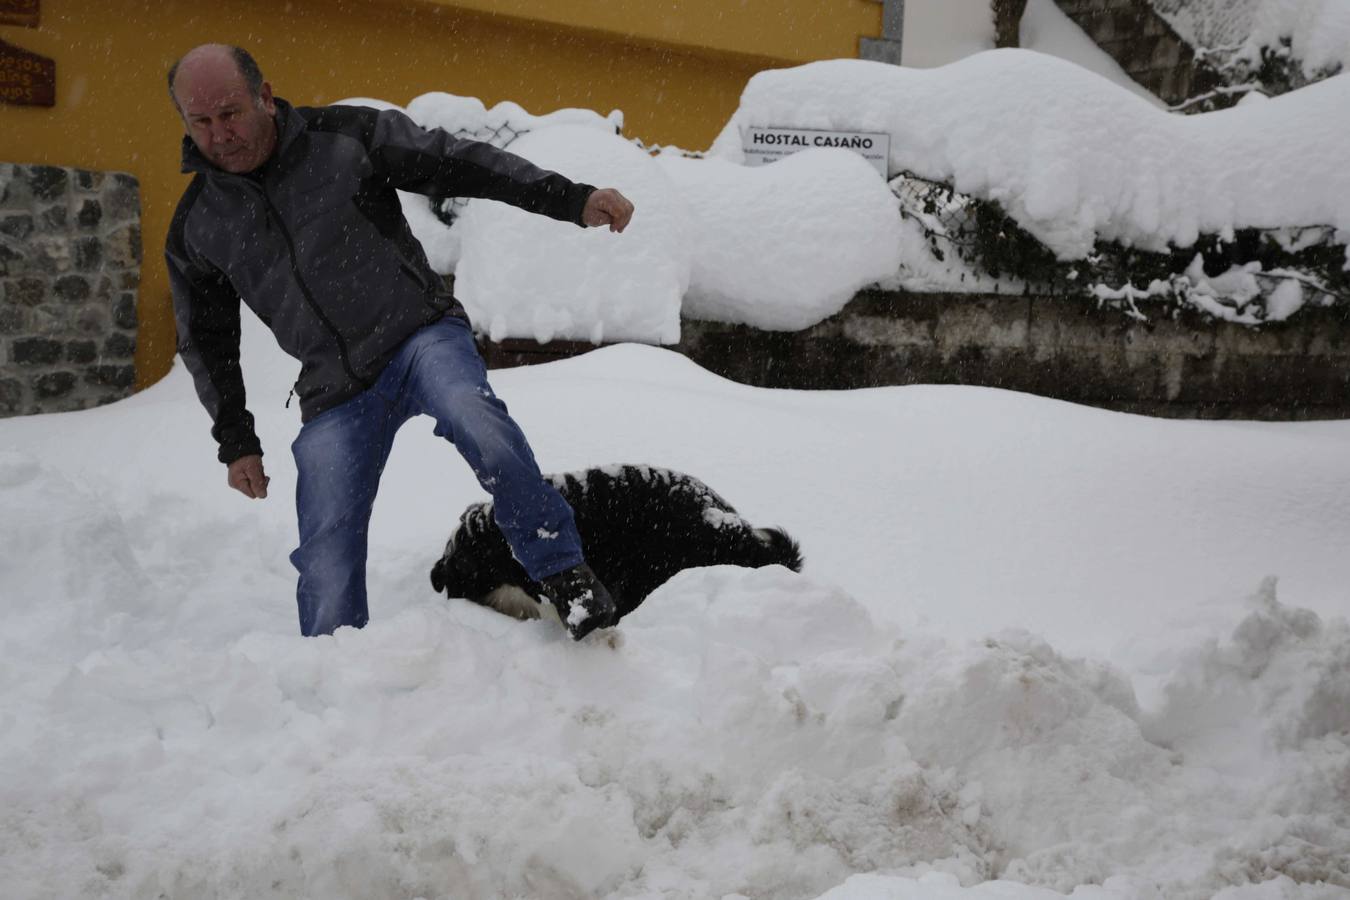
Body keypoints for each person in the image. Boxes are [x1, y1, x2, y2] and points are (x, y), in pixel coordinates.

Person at [165, 44, 633, 640]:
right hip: (332, 387)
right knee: (325, 550)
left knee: (478, 420)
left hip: (419, 336)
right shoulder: (198, 225)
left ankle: (564, 573)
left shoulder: (344, 137)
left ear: (263, 95)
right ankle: (340, 670)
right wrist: (236, 442)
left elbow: (461, 162)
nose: (219, 134)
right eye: (200, 122)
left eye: (229, 113)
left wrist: (570, 197)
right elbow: (206, 342)